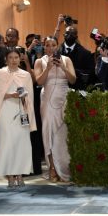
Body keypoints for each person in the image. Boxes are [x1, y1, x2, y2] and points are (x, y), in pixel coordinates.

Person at [0, 48, 36, 187]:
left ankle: (20, 175)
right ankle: (10, 176)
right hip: (5, 110)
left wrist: (22, 98)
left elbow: (30, 96)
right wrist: (11, 95)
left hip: (21, 110)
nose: (14, 60)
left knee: (21, 143)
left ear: (20, 59)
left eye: (16, 57)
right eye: (11, 57)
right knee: (7, 143)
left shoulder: (25, 75)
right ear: (6, 59)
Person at [34, 37, 75, 182]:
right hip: (47, 99)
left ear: (58, 46)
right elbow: (39, 81)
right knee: (48, 132)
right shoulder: (40, 61)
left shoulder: (67, 59)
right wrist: (49, 67)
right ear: (44, 47)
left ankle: (64, 167)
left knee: (64, 134)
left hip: (64, 98)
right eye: (47, 45)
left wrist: (62, 67)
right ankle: (52, 167)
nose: (50, 48)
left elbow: (73, 80)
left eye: (53, 45)